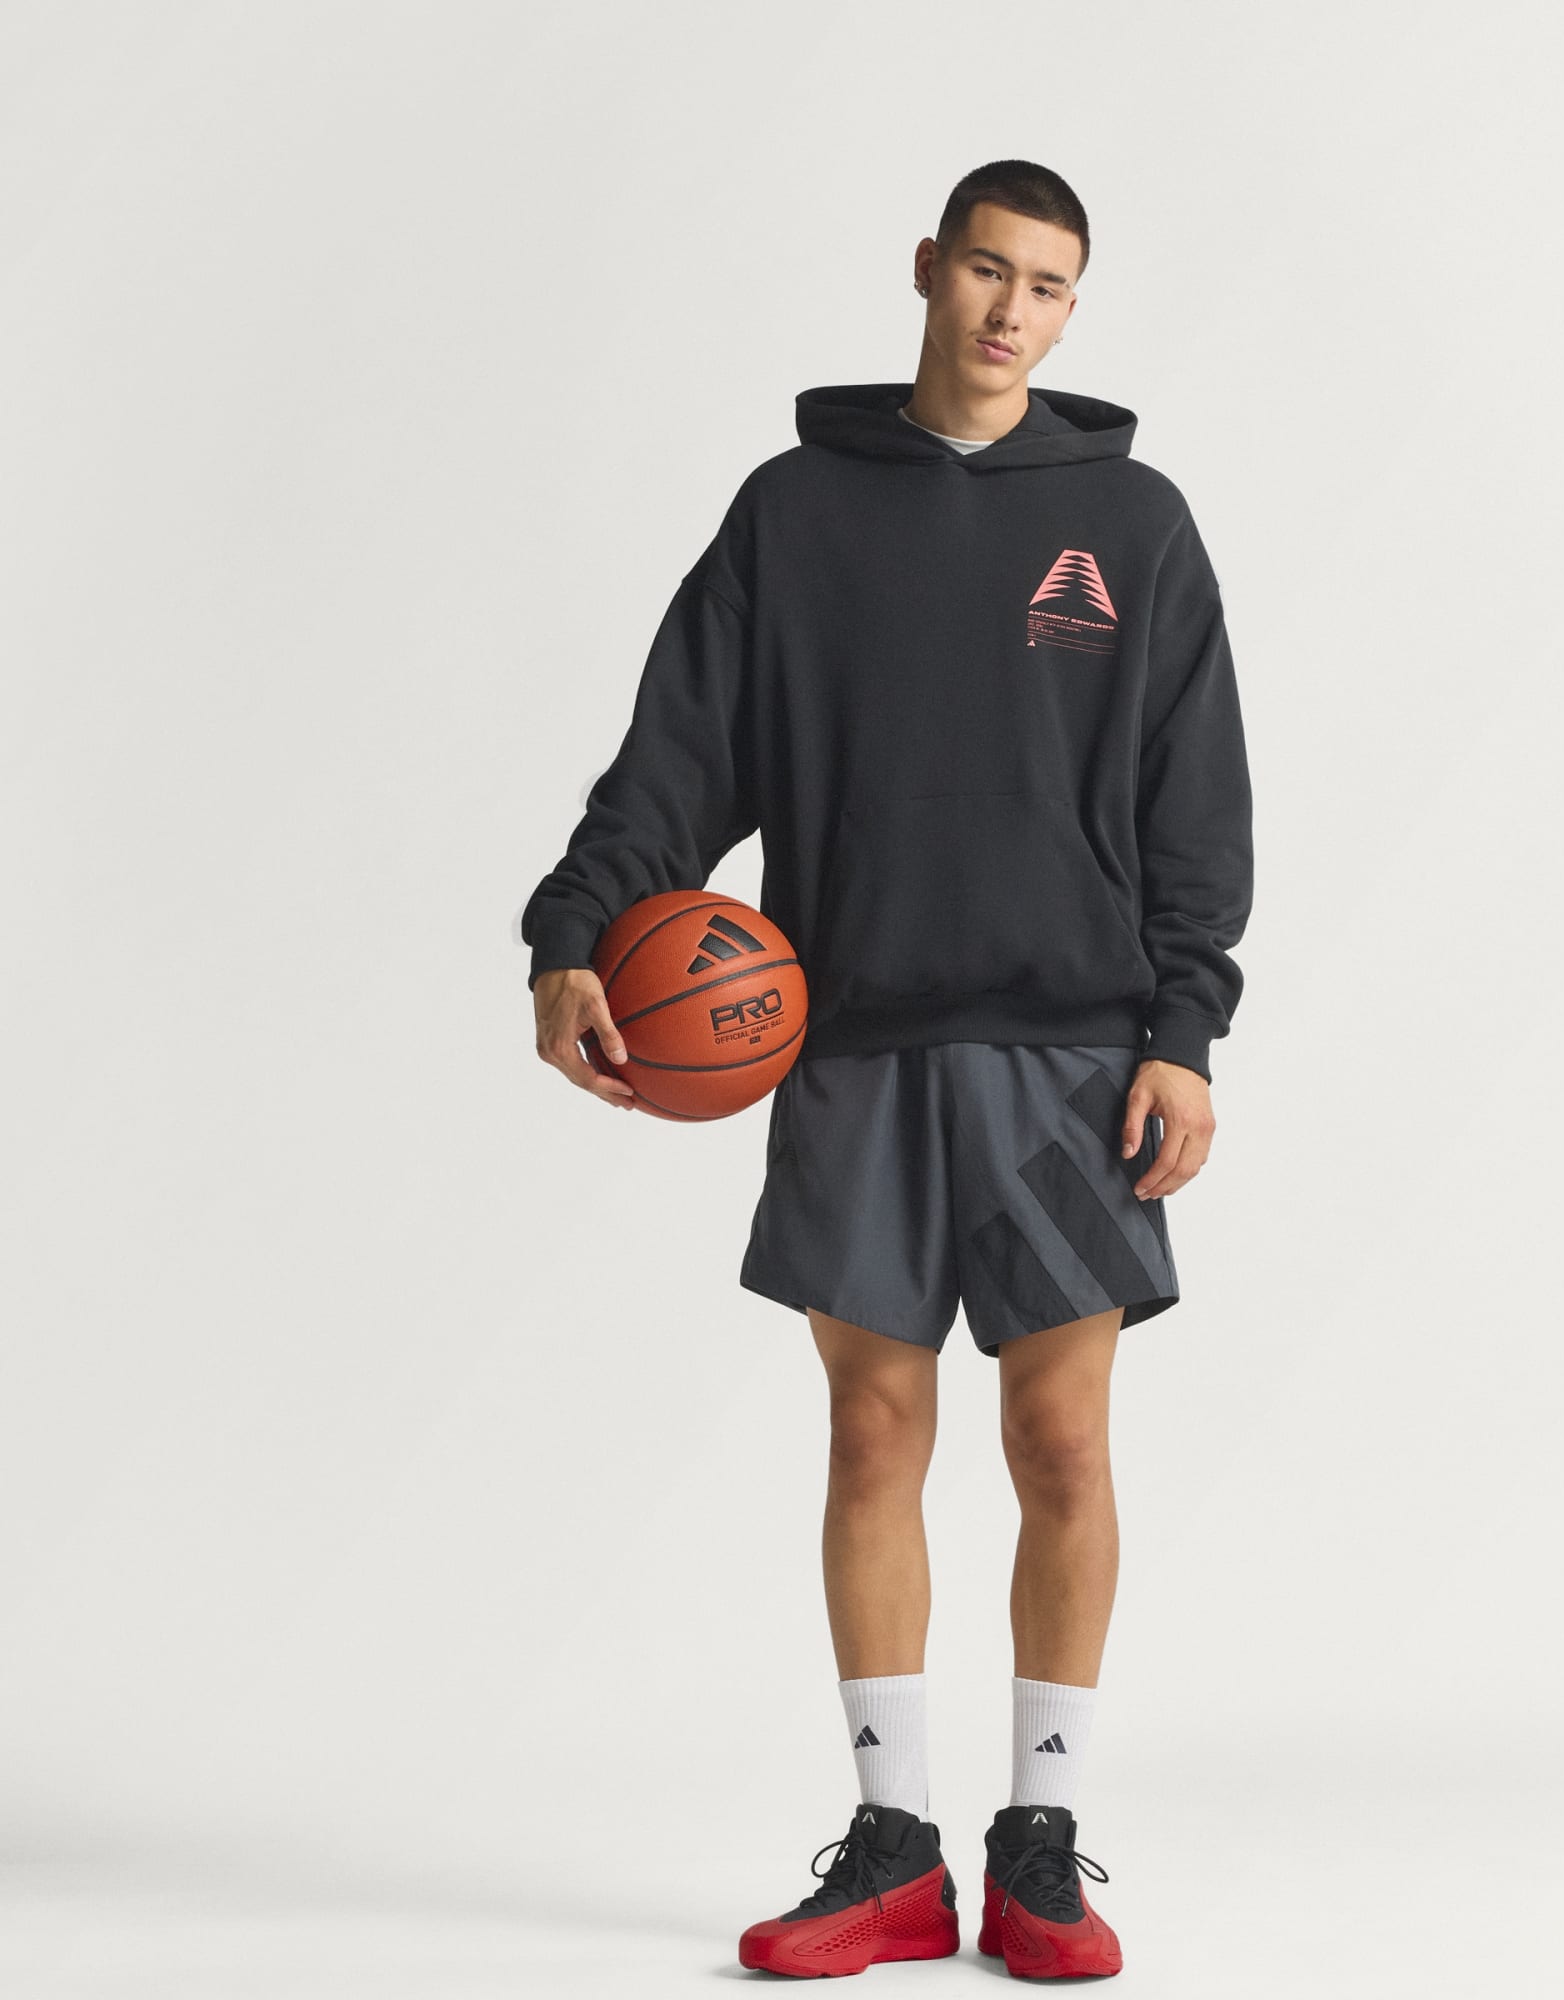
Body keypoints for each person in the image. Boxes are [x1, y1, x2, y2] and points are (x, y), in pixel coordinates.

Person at [520, 159, 1253, 1980]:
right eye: (989, 271)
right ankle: (896, 1847)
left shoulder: (1134, 524)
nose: (1013, 312)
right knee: (871, 1433)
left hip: (1074, 1051)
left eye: (1050, 287)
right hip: (853, 1040)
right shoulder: (795, 514)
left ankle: (1042, 1842)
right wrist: (571, 930)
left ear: (1074, 309)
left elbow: (1195, 806)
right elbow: (675, 762)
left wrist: (1185, 1033)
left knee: (1062, 1439)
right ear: (929, 269)